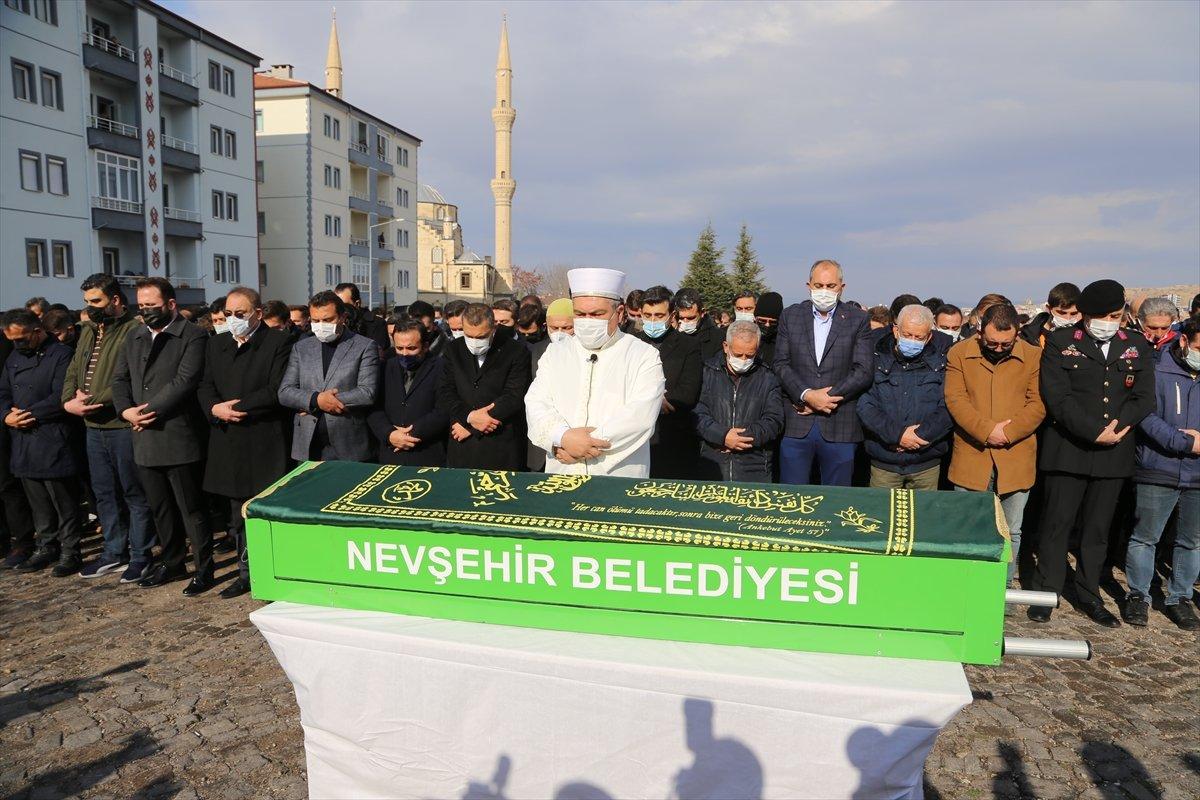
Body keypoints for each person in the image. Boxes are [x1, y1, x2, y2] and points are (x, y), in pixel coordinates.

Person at [1029, 279, 1156, 627]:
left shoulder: (1136, 345)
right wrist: (1092, 430)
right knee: (1056, 525)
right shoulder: (1061, 342)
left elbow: (1144, 397)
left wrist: (1116, 428)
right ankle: (1046, 592)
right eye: (1101, 315)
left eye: (1115, 315)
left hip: (1114, 450)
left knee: (1097, 531)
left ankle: (1089, 594)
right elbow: (1057, 396)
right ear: (1085, 315)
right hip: (1068, 448)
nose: (1108, 321)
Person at [111, 277, 213, 595]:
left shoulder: (192, 335)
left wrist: (147, 411)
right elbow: (119, 379)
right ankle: (172, 561)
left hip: (176, 432)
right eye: (141, 306)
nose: (146, 311)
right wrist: (126, 411)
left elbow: (184, 381)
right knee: (160, 507)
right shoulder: (135, 335)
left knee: (190, 507)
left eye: (151, 305)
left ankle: (204, 567)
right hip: (143, 435)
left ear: (170, 304)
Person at [197, 287, 293, 599]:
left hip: (263, 439)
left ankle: (276, 572)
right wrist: (215, 408)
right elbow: (205, 384)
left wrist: (236, 408)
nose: (233, 320)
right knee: (238, 515)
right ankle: (246, 574)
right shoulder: (217, 343)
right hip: (228, 439)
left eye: (241, 314)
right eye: (229, 314)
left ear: (258, 313)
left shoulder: (279, 341)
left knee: (267, 510)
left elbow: (275, 389)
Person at [526, 268, 665, 476]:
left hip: (618, 473)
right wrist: (561, 438)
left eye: (597, 314)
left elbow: (639, 417)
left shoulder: (643, 355)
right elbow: (536, 403)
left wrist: (581, 447)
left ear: (618, 314)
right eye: (580, 314)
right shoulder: (555, 352)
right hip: (563, 468)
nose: (588, 320)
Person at [944, 303, 1046, 585]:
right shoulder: (959, 353)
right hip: (972, 455)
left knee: (1012, 531)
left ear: (1017, 333)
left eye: (1006, 344)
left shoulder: (1035, 357)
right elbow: (956, 400)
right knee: (967, 528)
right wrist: (987, 431)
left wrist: (1008, 432)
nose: (999, 348)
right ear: (979, 331)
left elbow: (1037, 404)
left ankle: (1002, 592)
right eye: (992, 343)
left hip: (1016, 456)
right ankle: (964, 587)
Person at [62, 274, 154, 582]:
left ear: (115, 300)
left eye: (96, 301)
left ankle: (141, 555)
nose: (90, 307)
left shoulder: (134, 330)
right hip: (92, 427)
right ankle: (114, 552)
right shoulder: (88, 330)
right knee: (104, 493)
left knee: (133, 492)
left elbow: (126, 379)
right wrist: (68, 402)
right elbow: (75, 368)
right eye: (87, 301)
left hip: (120, 425)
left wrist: (89, 401)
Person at [1121, 315, 1200, 630]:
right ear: (1184, 341)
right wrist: (1183, 440)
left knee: (1191, 541)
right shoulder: (1156, 370)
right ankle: (1138, 596)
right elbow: (1145, 414)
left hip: (1197, 475)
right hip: (1158, 466)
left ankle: (1179, 598)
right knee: (1145, 537)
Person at [773, 260, 873, 486]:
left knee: (837, 502)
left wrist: (824, 398)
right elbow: (780, 363)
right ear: (808, 285)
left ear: (842, 287)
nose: (824, 291)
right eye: (819, 285)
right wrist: (807, 394)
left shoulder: (858, 319)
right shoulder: (791, 316)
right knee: (791, 497)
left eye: (831, 286)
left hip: (839, 423)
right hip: (797, 423)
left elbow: (864, 370)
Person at [1, 310, 84, 576]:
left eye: (22, 339)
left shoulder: (60, 355)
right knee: (37, 500)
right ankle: (47, 545)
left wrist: (29, 415)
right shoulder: (14, 357)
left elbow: (61, 395)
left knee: (63, 500)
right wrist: (6, 416)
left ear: (37, 332)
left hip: (52, 436)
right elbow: (3, 391)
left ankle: (71, 550)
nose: (18, 345)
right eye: (12, 340)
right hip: (23, 439)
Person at [856, 305, 952, 490]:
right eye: (907, 335)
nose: (912, 341)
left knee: (923, 516)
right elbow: (866, 405)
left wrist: (918, 437)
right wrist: (897, 436)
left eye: (919, 337)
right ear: (896, 330)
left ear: (929, 337)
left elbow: (947, 407)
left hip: (926, 462)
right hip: (885, 461)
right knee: (882, 516)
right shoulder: (875, 360)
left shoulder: (941, 364)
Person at [278, 291, 379, 462]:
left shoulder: (364, 346)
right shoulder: (301, 348)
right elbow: (285, 392)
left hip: (348, 441)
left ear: (342, 317)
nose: (321, 325)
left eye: (328, 320)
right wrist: (315, 400)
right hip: (309, 443)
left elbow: (366, 392)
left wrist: (325, 401)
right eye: (315, 321)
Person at [438, 303, 531, 470]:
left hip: (501, 445)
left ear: (494, 327)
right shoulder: (453, 350)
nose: (474, 342)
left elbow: (514, 395)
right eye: (468, 336)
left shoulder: (515, 351)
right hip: (461, 446)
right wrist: (468, 417)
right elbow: (446, 391)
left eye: (481, 337)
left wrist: (473, 426)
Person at [694, 321, 784, 482]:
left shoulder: (768, 378)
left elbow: (774, 421)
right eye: (738, 354)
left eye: (750, 355)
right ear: (726, 347)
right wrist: (723, 436)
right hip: (712, 464)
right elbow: (698, 413)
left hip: (754, 466)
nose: (743, 360)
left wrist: (739, 438)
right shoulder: (706, 372)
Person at [636, 286, 702, 479]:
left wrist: (645, 401)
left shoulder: (688, 346)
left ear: (672, 315)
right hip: (636, 438)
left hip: (671, 438)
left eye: (659, 315)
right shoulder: (632, 344)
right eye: (647, 315)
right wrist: (656, 400)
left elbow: (687, 393)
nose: (653, 321)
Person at [368, 317, 450, 467]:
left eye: (411, 348)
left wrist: (410, 434)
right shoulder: (385, 367)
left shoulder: (442, 368)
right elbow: (374, 407)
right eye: (399, 348)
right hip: (390, 455)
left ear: (425, 346)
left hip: (428, 455)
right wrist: (389, 434)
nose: (405, 354)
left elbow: (444, 409)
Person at [1020, 283, 1081, 348]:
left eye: (1073, 313)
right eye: (1062, 313)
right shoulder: (1027, 337)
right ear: (1049, 309)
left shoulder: (1083, 336)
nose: (1067, 318)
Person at [334, 283, 389, 353]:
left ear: (357, 303)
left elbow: (377, 355)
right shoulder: (334, 323)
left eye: (343, 305)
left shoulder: (377, 324)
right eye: (336, 305)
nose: (340, 309)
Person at [673, 288, 723, 360]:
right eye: (681, 318)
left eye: (691, 318)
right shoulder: (670, 337)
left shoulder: (718, 338)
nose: (685, 322)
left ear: (702, 312)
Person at [754, 291, 783, 365]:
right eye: (762, 321)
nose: (767, 325)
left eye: (772, 322)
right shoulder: (746, 339)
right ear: (755, 319)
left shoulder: (783, 344)